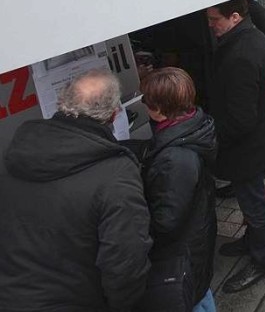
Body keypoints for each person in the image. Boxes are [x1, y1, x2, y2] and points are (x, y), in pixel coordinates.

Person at [0, 69, 152, 310]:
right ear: (114, 114)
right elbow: (125, 263)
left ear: (62, 103)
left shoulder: (17, 150)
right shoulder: (115, 174)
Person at [207, 0, 265, 293]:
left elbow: (241, 118)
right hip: (253, 142)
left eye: (215, 20)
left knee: (254, 204)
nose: (211, 26)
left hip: (246, 148)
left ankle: (263, 260)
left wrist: (211, 137)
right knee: (250, 200)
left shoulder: (240, 55)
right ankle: (251, 242)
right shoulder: (253, 35)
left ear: (234, 16)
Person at [140, 67, 217, 311]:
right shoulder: (195, 124)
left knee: (194, 296)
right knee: (200, 291)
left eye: (146, 101)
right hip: (196, 239)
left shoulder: (175, 159)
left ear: (160, 110)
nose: (143, 105)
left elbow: (166, 220)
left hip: (184, 250)